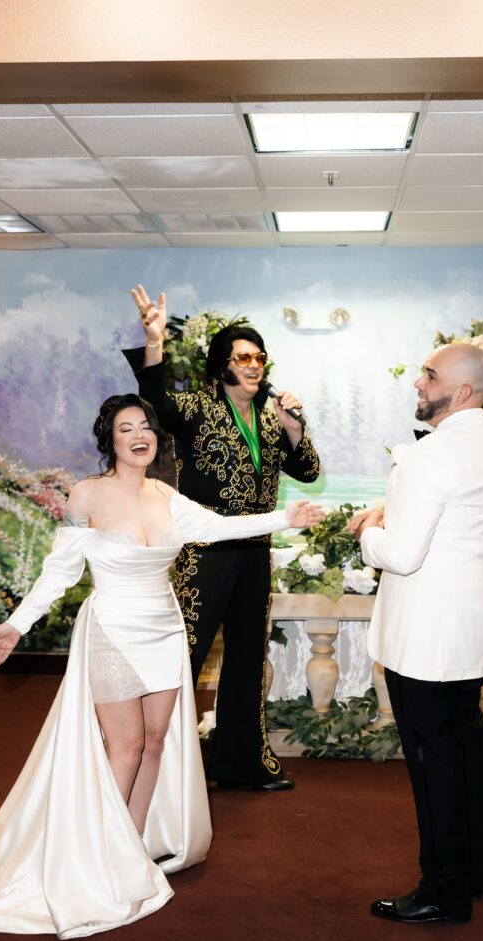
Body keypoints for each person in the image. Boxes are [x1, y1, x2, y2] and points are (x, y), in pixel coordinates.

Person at [0, 395, 322, 939]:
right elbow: (60, 571)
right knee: (121, 747)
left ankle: (130, 849)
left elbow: (219, 527)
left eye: (146, 426)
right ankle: (94, 859)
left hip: (166, 632)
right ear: (111, 440)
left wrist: (286, 517)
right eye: (127, 428)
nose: (139, 434)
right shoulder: (88, 494)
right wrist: (17, 624)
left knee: (152, 742)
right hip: (113, 631)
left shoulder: (166, 495)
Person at [123, 286, 321, 791]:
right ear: (222, 365)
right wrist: (154, 342)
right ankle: (161, 764)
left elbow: (309, 469)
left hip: (255, 546)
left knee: (248, 657)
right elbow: (158, 403)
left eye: (260, 357)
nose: (255, 366)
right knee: (185, 652)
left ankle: (241, 761)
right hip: (204, 547)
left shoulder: (274, 417)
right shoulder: (197, 407)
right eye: (244, 357)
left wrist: (295, 428)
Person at [349, 343, 483, 924]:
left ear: (462, 391)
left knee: (433, 765)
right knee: (466, 749)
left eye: (429, 375)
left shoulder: (434, 455)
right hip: (468, 636)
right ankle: (474, 870)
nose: (418, 384)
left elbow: (398, 554)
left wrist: (368, 530)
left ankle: (441, 891)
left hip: (423, 642)